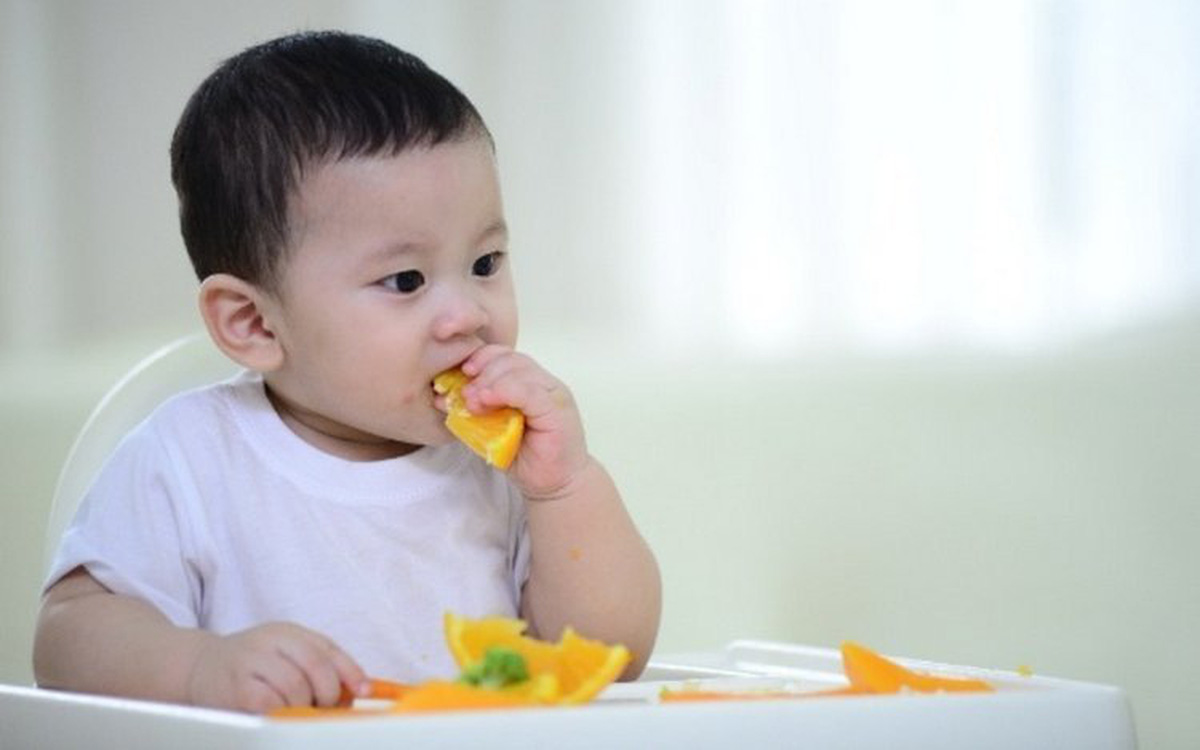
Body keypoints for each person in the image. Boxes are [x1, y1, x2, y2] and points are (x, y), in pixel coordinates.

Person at [33, 30, 661, 714]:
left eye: (485, 264)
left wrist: (565, 487)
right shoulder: (188, 460)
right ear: (254, 323)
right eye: (406, 280)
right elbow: (67, 639)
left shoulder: (500, 468)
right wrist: (199, 669)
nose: (467, 315)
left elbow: (611, 658)